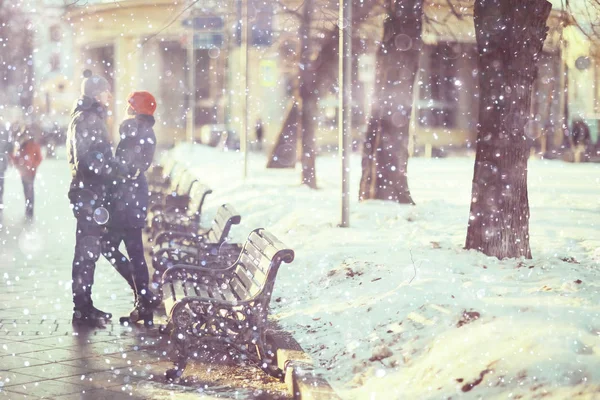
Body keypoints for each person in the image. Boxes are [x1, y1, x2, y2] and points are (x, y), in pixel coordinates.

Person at [102, 91, 158, 326]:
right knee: (135, 253)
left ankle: (143, 298)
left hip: (126, 201)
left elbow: (126, 167)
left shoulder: (133, 130)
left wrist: (108, 166)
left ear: (135, 109)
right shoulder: (145, 131)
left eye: (129, 105)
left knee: (108, 246)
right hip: (133, 199)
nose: (126, 109)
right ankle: (144, 302)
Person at [67, 70, 114, 325]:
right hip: (89, 195)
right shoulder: (88, 119)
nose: (110, 95)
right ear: (97, 93)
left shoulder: (88, 116)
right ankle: (82, 308)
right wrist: (110, 168)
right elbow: (87, 159)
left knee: (88, 252)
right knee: (86, 252)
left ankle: (84, 305)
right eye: (106, 90)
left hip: (89, 193)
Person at [10, 124, 43, 221]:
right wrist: (17, 164)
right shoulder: (21, 146)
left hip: (31, 172)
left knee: (29, 190)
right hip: (23, 172)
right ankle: (28, 209)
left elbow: (39, 158)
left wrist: (33, 166)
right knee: (26, 190)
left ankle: (30, 211)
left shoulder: (33, 145)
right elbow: (16, 158)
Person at [0, 124, 14, 225]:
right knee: (1, 186)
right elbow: (10, 146)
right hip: (1, 163)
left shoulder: (4, 130)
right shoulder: (4, 130)